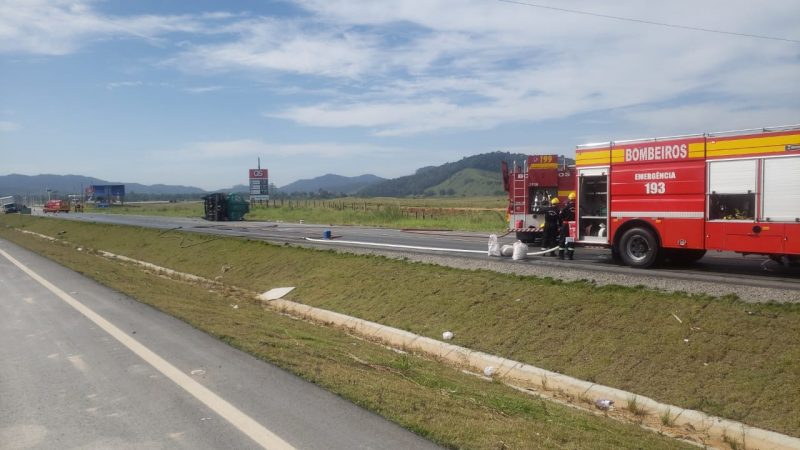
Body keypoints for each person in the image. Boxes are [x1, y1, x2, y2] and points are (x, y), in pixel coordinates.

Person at [559, 192, 576, 260]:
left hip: (565, 224)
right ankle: (570, 256)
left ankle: (561, 255)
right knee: (571, 239)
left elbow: (560, 215)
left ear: (569, 199)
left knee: (563, 239)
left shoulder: (566, 207)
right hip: (573, 225)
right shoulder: (578, 207)